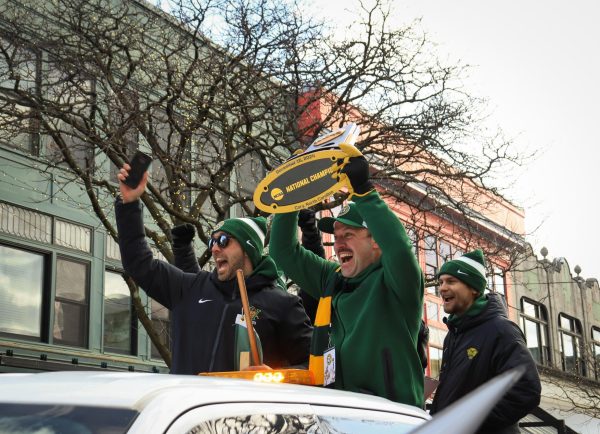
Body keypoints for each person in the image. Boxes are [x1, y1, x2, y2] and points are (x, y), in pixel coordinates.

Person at [115, 165, 312, 375]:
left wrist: (275, 376)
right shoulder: (190, 288)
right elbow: (138, 263)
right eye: (212, 242)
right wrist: (129, 203)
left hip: (244, 407)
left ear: (248, 249)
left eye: (225, 241)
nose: (215, 248)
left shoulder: (282, 304)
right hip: (190, 407)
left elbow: (313, 365)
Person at [269, 156, 425, 407]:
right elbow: (284, 253)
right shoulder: (334, 279)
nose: (339, 243)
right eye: (337, 235)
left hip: (393, 419)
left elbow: (398, 247)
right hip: (342, 413)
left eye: (349, 235)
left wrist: (363, 191)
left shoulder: (397, 281)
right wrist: (290, 197)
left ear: (375, 241)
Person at [429, 249, 541, 433]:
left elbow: (526, 391)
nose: (442, 288)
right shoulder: (453, 335)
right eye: (441, 282)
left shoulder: (501, 330)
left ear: (474, 288)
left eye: (451, 281)